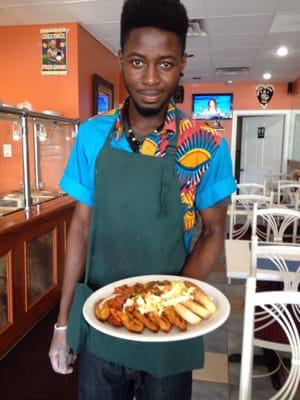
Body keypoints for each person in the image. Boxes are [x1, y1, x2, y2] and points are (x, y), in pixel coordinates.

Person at [49, 0, 236, 399]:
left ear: (182, 63)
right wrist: (62, 324)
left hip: (168, 335)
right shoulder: (92, 136)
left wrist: (169, 305)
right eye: (137, 61)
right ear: (120, 59)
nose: (150, 78)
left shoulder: (206, 145)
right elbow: (80, 227)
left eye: (165, 63)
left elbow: (213, 232)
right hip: (100, 322)